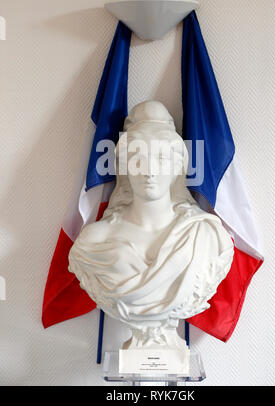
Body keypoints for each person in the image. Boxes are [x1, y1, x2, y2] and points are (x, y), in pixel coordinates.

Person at [68, 101, 234, 349]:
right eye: (137, 159)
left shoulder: (206, 238)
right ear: (124, 166)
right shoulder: (93, 243)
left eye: (161, 158)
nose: (149, 170)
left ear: (178, 166)